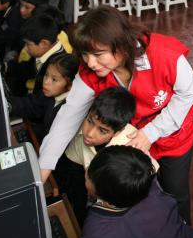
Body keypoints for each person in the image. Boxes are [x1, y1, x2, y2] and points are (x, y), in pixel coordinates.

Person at [38, 6, 193, 224]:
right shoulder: (90, 71)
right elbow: (69, 115)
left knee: (175, 193)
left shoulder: (164, 55)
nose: (90, 62)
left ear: (121, 44)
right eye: (85, 54)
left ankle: (182, 237)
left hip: (173, 136)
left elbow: (187, 94)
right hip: (132, 137)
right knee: (140, 196)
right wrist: (44, 166)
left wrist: (152, 132)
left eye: (97, 54)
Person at [78, 146, 193, 238]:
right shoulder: (149, 188)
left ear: (105, 197)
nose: (87, 169)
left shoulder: (98, 237)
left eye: (88, 178)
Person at [56, 86, 140, 225]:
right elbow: (74, 175)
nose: (89, 133)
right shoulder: (80, 137)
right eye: (89, 121)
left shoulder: (132, 147)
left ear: (118, 132)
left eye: (102, 130)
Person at [7, 52, 77, 141]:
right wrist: (8, 104)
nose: (46, 82)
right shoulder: (50, 93)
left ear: (70, 85)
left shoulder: (69, 109)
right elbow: (32, 105)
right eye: (46, 75)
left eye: (54, 79)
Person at [5, 13, 66, 97]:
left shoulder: (56, 69)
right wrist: (7, 67)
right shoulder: (44, 52)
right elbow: (30, 69)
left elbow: (40, 102)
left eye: (28, 44)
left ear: (43, 43)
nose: (25, 48)